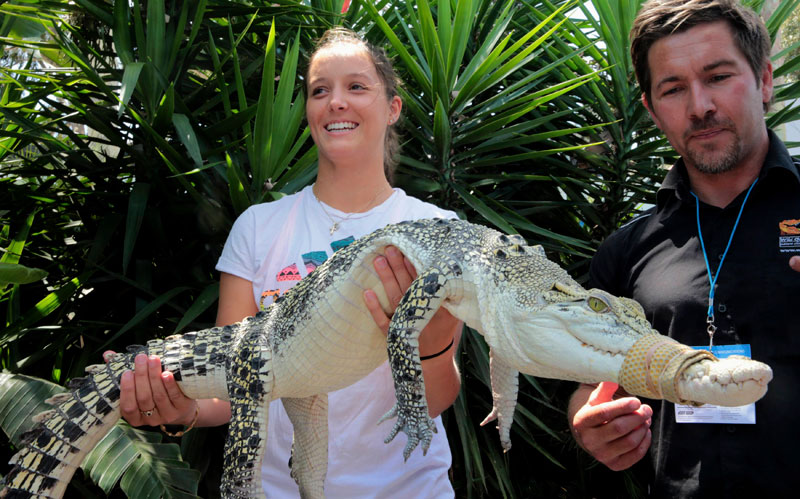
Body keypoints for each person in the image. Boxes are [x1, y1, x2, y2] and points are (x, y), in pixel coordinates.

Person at [106, 27, 463, 497]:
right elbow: (235, 380)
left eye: (356, 86)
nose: (336, 102)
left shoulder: (436, 230)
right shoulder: (259, 226)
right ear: (309, 112)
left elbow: (432, 401)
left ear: (392, 107)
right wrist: (180, 409)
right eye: (320, 90)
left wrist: (432, 346)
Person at [567, 0, 800, 497]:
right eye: (673, 88)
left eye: (717, 77)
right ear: (651, 109)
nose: (699, 107)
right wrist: (591, 422)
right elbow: (589, 380)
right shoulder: (627, 250)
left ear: (763, 80)